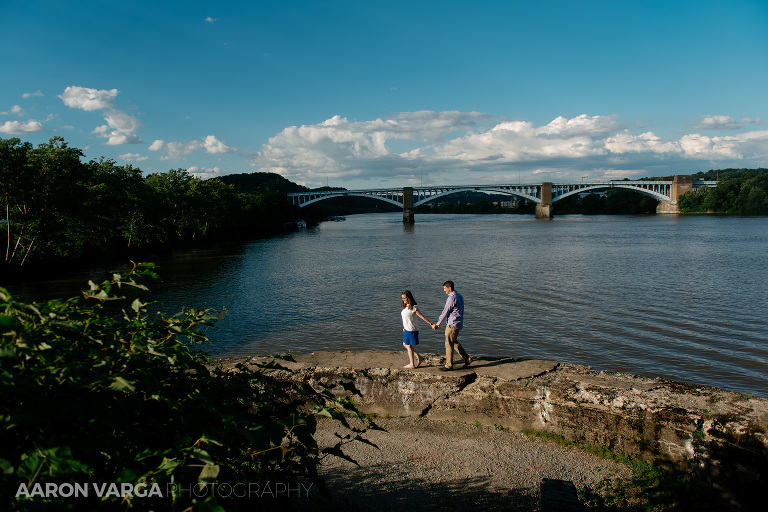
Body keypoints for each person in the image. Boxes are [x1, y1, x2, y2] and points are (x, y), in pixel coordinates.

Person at [432, 280, 472, 371]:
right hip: (458, 322)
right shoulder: (459, 296)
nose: (444, 290)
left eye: (445, 288)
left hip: (452, 324)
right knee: (453, 342)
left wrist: (438, 324)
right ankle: (467, 358)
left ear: (450, 288)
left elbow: (445, 311)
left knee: (448, 344)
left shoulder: (451, 298)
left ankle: (449, 365)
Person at [400, 290, 433, 369]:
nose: (403, 300)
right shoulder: (406, 307)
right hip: (407, 329)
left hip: (412, 329)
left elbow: (422, 317)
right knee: (405, 344)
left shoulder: (414, 308)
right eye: (402, 298)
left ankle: (412, 364)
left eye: (405, 298)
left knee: (408, 346)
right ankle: (420, 357)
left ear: (409, 298)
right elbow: (406, 318)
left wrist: (431, 324)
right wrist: (404, 326)